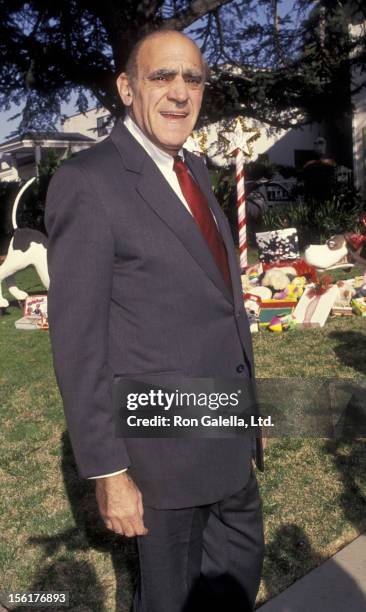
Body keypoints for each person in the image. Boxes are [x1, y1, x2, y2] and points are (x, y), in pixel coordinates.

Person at [45, 29, 264, 612]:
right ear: (126, 88)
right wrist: (110, 472)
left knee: (234, 581)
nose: (179, 92)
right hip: (161, 460)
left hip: (227, 441)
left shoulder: (191, 170)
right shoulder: (88, 182)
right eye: (160, 76)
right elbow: (79, 345)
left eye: (192, 78)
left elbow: (219, 305)